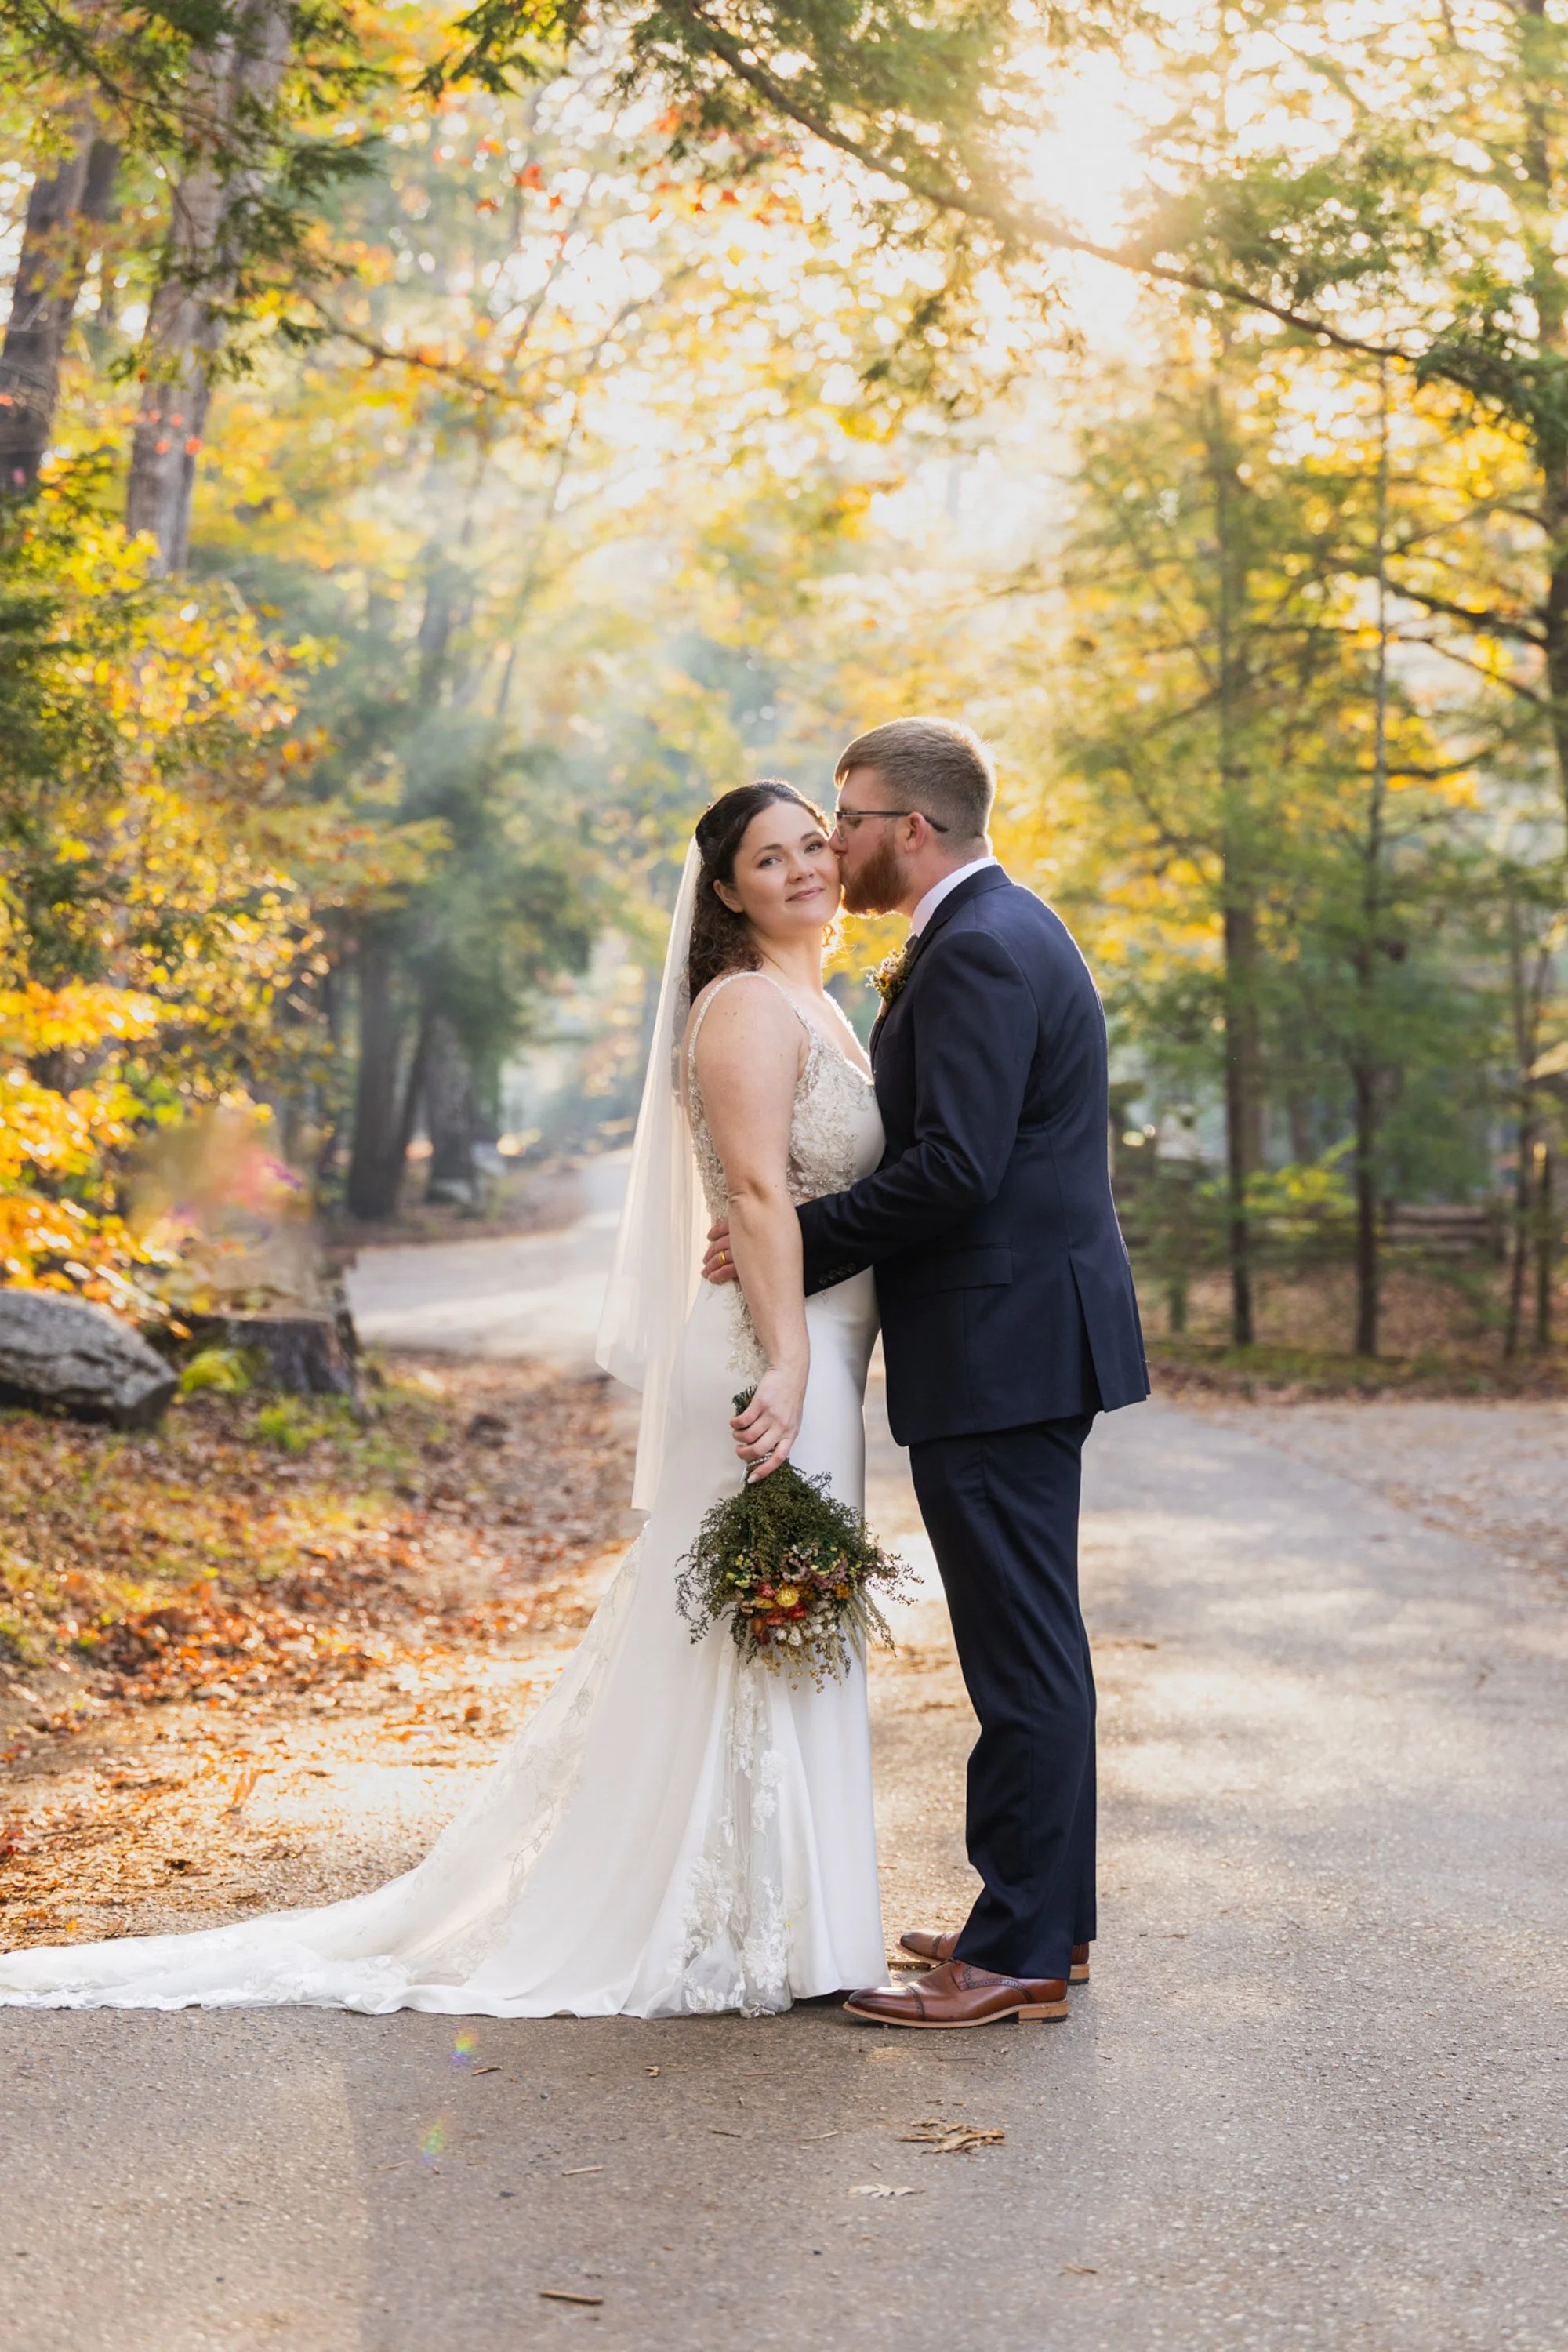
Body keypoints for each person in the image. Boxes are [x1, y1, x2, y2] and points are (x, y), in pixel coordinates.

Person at [0, 782, 890, 2019]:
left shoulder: (825, 1009)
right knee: (752, 1624)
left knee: (784, 1629)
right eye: (769, 856)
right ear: (727, 893)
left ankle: (790, 1921)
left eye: (812, 845)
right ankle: (722, 1924)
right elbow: (751, 1192)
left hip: (820, 1355)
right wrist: (788, 1365)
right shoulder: (742, 1007)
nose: (803, 868)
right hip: (763, 1359)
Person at [705, 717, 1148, 2029]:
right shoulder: (995, 933)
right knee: (1029, 1641)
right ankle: (1038, 1923)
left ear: (912, 829)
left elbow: (956, 1168)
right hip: (1016, 1338)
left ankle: (1015, 1950)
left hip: (1003, 1344)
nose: (834, 845)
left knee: (1020, 1653)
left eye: (846, 818)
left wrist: (786, 1239)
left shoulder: (978, 953)